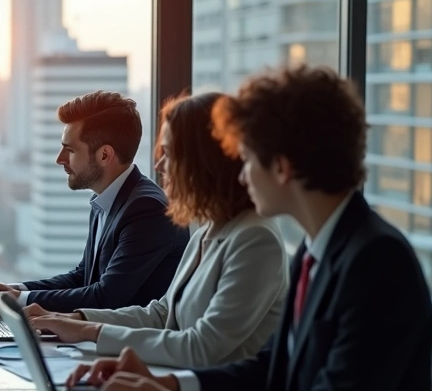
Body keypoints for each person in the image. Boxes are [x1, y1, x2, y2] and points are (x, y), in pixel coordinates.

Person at [70, 65, 432, 391]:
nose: (240, 173)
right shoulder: (318, 248)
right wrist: (173, 389)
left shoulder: (375, 261)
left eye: (246, 159)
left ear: (282, 166)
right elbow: (272, 369)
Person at [26, 93, 288, 368]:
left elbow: (201, 346)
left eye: (170, 154)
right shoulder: (207, 230)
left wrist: (88, 332)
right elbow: (162, 313)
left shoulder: (256, 239)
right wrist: (75, 320)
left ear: (204, 162)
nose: (160, 166)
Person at [0, 91, 188, 315]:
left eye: (70, 150)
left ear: (105, 155)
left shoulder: (147, 209)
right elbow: (82, 276)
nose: (60, 159)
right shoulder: (106, 199)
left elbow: (106, 296)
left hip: (130, 345)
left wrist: (19, 301)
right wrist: (16, 291)